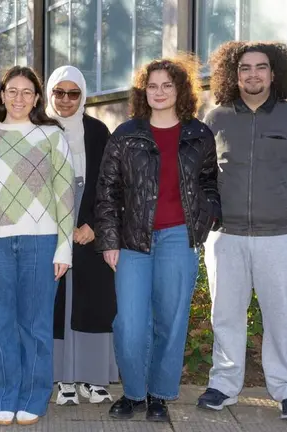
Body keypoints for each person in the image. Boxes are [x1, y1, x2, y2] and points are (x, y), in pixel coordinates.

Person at [197, 42, 287, 422]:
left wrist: (281, 209)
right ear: (233, 75)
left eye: (261, 68)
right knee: (226, 315)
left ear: (274, 73)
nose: (253, 75)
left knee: (282, 318)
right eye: (245, 68)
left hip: (279, 238)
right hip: (226, 237)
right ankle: (223, 383)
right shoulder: (215, 119)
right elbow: (202, 176)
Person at [94, 55, 220, 422]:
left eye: (168, 85)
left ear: (181, 90)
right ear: (143, 91)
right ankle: (133, 392)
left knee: (171, 319)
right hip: (132, 240)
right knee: (130, 324)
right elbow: (107, 191)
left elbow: (210, 182)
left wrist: (208, 214)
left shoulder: (199, 134)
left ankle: (160, 394)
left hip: (179, 239)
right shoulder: (126, 134)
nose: (160, 92)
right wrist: (109, 240)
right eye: (153, 86)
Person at [0, 65, 74, 426]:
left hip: (42, 241)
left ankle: (32, 396)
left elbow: (65, 195)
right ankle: (4, 395)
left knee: (36, 325)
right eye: (12, 91)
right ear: (1, 95)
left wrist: (65, 246)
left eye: (27, 92)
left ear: (38, 98)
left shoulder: (52, 136)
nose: (19, 98)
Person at [45, 65, 118, 406]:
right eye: (59, 92)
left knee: (93, 298)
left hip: (89, 224)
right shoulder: (37, 129)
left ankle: (92, 376)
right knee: (57, 301)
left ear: (83, 96)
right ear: (49, 94)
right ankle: (62, 378)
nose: (65, 100)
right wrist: (57, 224)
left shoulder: (98, 131)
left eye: (73, 93)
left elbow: (109, 182)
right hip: (48, 224)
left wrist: (92, 224)